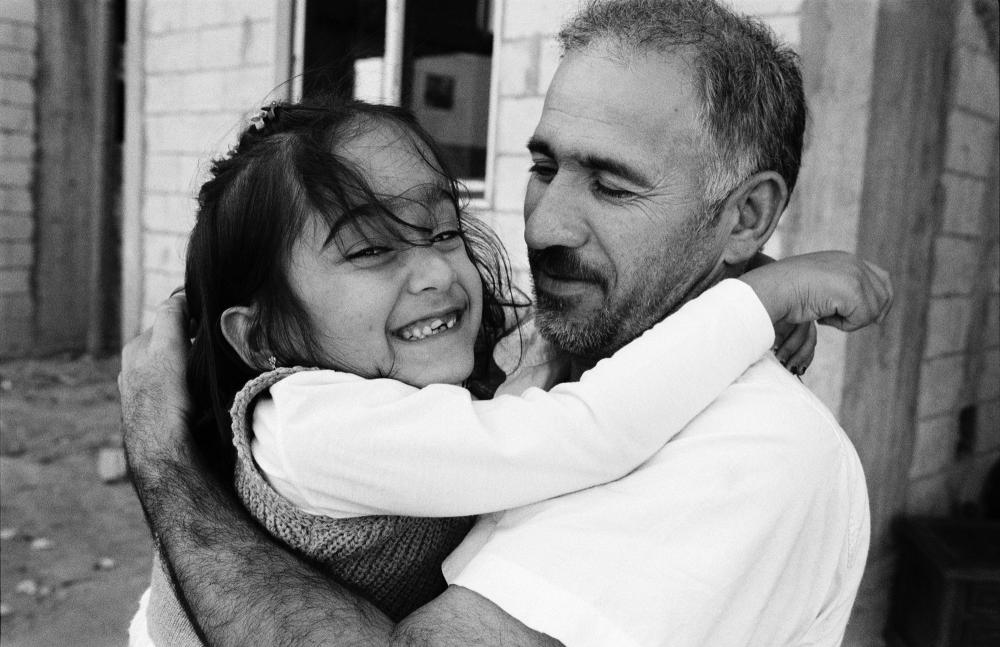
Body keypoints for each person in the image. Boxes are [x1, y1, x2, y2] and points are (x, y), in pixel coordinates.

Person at [121, 0, 894, 645]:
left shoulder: (750, 450)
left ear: (746, 215)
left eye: (612, 186)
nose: (547, 223)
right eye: (545, 167)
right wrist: (754, 292)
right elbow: (570, 419)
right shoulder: (329, 417)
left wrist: (165, 461)